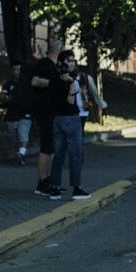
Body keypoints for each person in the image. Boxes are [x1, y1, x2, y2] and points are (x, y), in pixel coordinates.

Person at [47, 50, 89, 201]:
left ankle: (55, 188)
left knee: (58, 155)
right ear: (60, 63)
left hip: (56, 120)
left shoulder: (53, 79)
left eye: (73, 61)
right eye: (68, 61)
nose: (71, 63)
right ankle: (76, 188)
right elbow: (70, 101)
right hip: (71, 119)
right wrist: (72, 83)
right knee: (75, 155)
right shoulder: (71, 81)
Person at [31, 40, 63, 196]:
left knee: (51, 148)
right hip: (45, 112)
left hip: (52, 112)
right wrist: (55, 83)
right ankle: (42, 183)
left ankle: (48, 181)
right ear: (58, 52)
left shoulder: (54, 66)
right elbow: (35, 81)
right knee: (46, 147)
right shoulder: (45, 64)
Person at [0, 61, 33, 166]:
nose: (16, 72)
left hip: (25, 114)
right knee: (15, 137)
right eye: (14, 70)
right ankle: (19, 156)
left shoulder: (28, 83)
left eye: (19, 69)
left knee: (23, 134)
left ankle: (21, 154)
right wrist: (9, 97)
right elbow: (1, 98)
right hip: (11, 114)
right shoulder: (8, 84)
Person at [72, 61, 108, 132]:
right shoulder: (64, 78)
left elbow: (95, 93)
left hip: (82, 111)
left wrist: (103, 106)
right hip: (70, 112)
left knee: (78, 133)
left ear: (76, 67)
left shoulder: (85, 78)